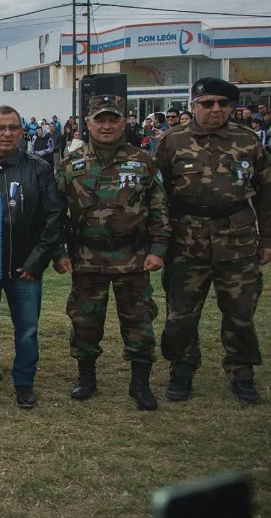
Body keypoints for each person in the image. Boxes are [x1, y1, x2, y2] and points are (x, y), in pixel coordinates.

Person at [154, 77, 271, 404]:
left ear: (232, 106)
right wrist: (159, 244)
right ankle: (181, 370)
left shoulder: (248, 141)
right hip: (185, 241)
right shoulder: (171, 142)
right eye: (208, 103)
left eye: (223, 103)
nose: (216, 109)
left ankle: (242, 371)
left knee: (240, 312)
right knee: (181, 313)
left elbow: (267, 193)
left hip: (237, 240)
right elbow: (155, 196)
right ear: (194, 106)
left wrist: (269, 240)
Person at [54, 95, 170, 411]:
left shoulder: (142, 160)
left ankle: (140, 383)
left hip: (132, 256)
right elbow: (57, 214)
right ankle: (86, 379)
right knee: (85, 321)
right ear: (88, 124)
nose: (107, 126)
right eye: (100, 120)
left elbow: (159, 208)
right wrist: (61, 251)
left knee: (139, 321)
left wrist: (158, 249)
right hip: (87, 258)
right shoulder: (70, 164)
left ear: (124, 122)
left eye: (113, 119)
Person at [0, 105, 63, 408]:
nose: (7, 133)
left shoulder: (38, 168)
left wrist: (37, 260)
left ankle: (24, 382)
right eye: (0, 127)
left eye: (13, 127)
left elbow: (53, 217)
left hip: (24, 269)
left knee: (27, 329)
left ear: (22, 132)